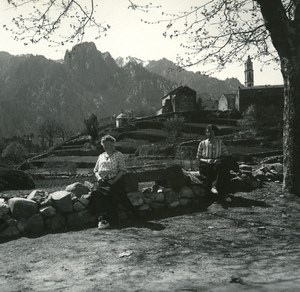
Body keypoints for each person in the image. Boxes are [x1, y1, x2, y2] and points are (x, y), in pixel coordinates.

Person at [88, 134, 139, 229]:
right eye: (103, 145)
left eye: (106, 144)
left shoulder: (118, 155)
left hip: (115, 181)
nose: (105, 147)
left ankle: (108, 219)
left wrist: (113, 181)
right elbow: (95, 170)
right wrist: (99, 178)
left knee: (110, 195)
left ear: (112, 144)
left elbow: (122, 170)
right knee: (95, 193)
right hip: (102, 181)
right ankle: (102, 219)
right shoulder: (101, 156)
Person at [196, 124, 234, 203]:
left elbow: (226, 155)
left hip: (217, 162)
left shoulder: (220, 143)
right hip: (205, 163)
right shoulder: (202, 143)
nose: (208, 134)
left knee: (221, 167)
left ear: (214, 132)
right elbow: (198, 158)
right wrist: (207, 160)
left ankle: (221, 192)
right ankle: (210, 194)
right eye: (207, 132)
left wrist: (217, 160)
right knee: (209, 168)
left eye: (210, 132)